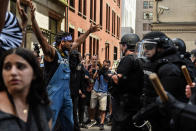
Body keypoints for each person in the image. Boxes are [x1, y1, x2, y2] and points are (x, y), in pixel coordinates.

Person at [28, 0, 100, 130]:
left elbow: (78, 41)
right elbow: (41, 39)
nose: (71, 44)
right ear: (62, 42)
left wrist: (89, 31)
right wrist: (33, 20)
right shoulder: (52, 53)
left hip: (66, 94)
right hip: (53, 94)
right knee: (49, 123)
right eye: (69, 42)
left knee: (69, 123)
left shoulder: (67, 53)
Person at [139, 32, 189, 130]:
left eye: (149, 46)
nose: (145, 50)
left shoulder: (169, 68)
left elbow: (165, 100)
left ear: (160, 47)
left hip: (166, 121)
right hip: (156, 118)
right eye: (144, 46)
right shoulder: (158, 63)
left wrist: (141, 114)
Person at [0, 48, 51, 131]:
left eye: (20, 66)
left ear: (34, 73)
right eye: (7, 67)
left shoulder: (42, 106)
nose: (13, 72)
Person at [110, 33, 144, 131]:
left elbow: (118, 79)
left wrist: (112, 77)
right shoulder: (140, 60)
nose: (120, 48)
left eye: (122, 45)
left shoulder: (128, 59)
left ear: (126, 45)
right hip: (134, 102)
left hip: (123, 105)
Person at [87, 60, 111, 130]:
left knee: (103, 109)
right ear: (102, 65)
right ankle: (93, 120)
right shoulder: (99, 70)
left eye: (107, 65)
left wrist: (104, 74)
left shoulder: (109, 72)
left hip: (103, 92)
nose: (105, 66)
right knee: (92, 107)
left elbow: (107, 80)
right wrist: (98, 71)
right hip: (95, 91)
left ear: (109, 66)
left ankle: (102, 123)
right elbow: (94, 77)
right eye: (104, 65)